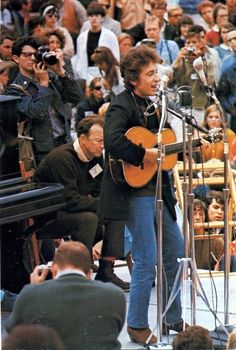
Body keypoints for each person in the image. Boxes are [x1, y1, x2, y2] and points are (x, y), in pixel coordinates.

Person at [98, 45, 186, 346]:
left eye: (156, 73)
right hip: (135, 194)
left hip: (161, 191)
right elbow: (112, 142)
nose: (156, 78)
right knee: (147, 259)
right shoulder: (121, 105)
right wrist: (143, 153)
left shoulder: (155, 104)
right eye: (150, 73)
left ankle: (172, 316)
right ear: (134, 77)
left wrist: (175, 149)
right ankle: (136, 324)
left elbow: (163, 147)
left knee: (176, 251)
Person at [35, 116, 130, 290]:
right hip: (46, 217)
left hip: (73, 211)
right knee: (89, 219)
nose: (103, 145)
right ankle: (81, 273)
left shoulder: (95, 158)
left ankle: (106, 271)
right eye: (99, 141)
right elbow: (70, 200)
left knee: (116, 213)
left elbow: (98, 190)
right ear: (83, 139)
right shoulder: (62, 159)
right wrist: (103, 204)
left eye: (104, 141)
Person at [6, 241, 126, 350]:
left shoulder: (31, 293)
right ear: (89, 273)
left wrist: (33, 289)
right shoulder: (115, 294)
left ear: (53, 270)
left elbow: (13, 330)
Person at [6, 35, 81, 165]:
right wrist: (44, 85)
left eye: (35, 54)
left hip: (65, 143)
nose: (32, 58)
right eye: (27, 55)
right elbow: (34, 112)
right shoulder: (14, 90)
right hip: (42, 152)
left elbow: (76, 97)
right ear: (16, 58)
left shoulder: (51, 76)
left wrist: (61, 72)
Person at [172, 24, 221, 124]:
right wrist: (177, 61)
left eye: (194, 42)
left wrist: (200, 62)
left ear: (200, 44)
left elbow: (209, 84)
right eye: (188, 42)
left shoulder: (207, 63)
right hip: (184, 106)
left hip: (200, 106)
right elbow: (175, 82)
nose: (190, 45)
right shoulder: (182, 61)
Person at [72, 1, 120, 81]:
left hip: (106, 76)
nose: (94, 18)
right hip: (85, 75)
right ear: (88, 17)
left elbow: (115, 57)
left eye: (97, 16)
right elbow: (79, 59)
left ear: (102, 17)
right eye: (91, 15)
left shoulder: (110, 36)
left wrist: (110, 77)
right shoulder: (81, 37)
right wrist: (82, 77)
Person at [193, 198, 224, 270]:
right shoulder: (182, 240)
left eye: (201, 214)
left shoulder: (216, 241)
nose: (197, 218)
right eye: (194, 214)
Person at [217, 28, 236, 133]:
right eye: (230, 40)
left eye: (235, 38)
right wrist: (231, 110)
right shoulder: (226, 64)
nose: (233, 42)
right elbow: (221, 93)